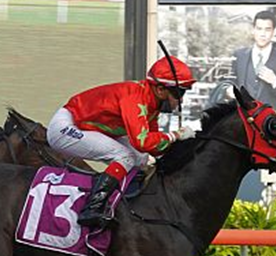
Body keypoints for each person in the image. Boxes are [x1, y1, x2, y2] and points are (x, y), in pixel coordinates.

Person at [46, 56, 197, 228]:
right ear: (161, 89)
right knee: (124, 156)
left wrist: (181, 144)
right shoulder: (135, 98)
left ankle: (126, 206)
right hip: (66, 126)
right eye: (179, 93)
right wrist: (175, 135)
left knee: (140, 159)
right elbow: (142, 141)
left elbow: (153, 149)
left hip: (91, 127)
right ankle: (92, 209)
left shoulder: (152, 105)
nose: (181, 100)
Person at [231, 10, 276, 117]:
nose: (263, 34)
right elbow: (229, 83)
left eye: (267, 29)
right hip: (243, 123)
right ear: (253, 30)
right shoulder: (239, 56)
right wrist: (228, 90)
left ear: (274, 31)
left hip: (271, 125)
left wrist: (275, 81)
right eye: (259, 29)